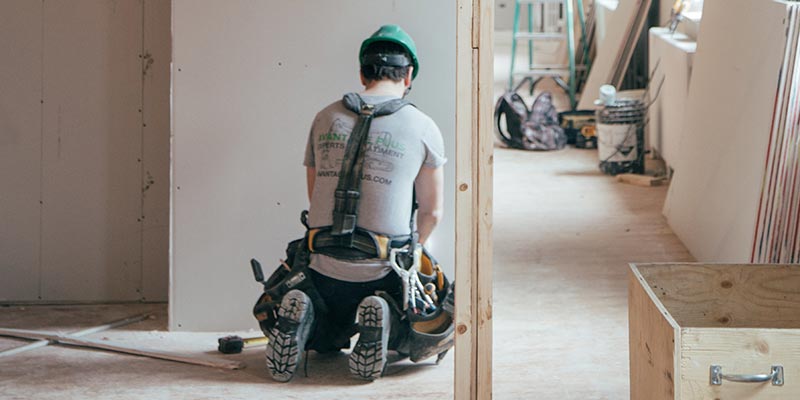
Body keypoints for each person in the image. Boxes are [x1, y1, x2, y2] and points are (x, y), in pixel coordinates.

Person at [265, 24, 447, 382]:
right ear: (408, 75)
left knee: (327, 335)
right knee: (432, 317)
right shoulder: (423, 126)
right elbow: (432, 213)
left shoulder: (325, 117)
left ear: (362, 73)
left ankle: (310, 320)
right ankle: (385, 316)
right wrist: (414, 253)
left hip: (321, 268)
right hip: (382, 269)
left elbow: (315, 195)